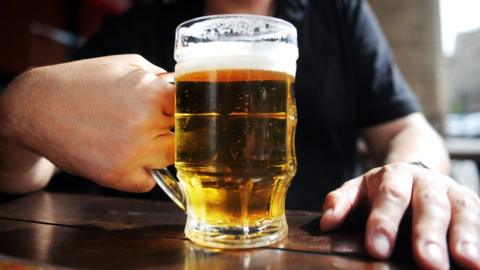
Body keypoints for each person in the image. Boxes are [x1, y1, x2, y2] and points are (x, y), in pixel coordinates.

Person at [0, 0, 478, 269]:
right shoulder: (139, 26)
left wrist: (414, 171)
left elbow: (408, 127)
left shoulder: (341, 11)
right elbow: (34, 161)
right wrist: (21, 112)